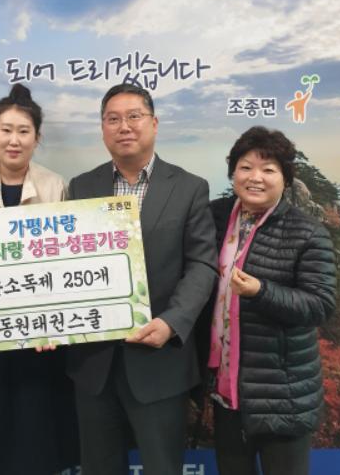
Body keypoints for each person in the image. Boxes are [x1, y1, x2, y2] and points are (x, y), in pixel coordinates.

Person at [66, 83, 218, 475]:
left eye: (134, 116)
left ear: (154, 123)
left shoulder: (189, 188)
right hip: (94, 364)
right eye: (113, 119)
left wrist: (172, 322)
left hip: (159, 361)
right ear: (102, 129)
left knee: (163, 467)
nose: (124, 126)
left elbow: (202, 265)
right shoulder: (81, 186)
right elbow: (67, 266)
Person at [0, 84, 79, 475]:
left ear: (37, 139)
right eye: (5, 130)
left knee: (36, 420)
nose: (14, 140)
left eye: (24, 131)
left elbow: (67, 260)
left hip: (40, 331)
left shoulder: (56, 186)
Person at [207, 126, 336, 475]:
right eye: (245, 167)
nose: (255, 178)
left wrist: (261, 292)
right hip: (227, 389)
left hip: (283, 394)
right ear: (233, 172)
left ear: (285, 178)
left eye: (268, 169)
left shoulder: (307, 232)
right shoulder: (215, 217)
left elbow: (320, 304)